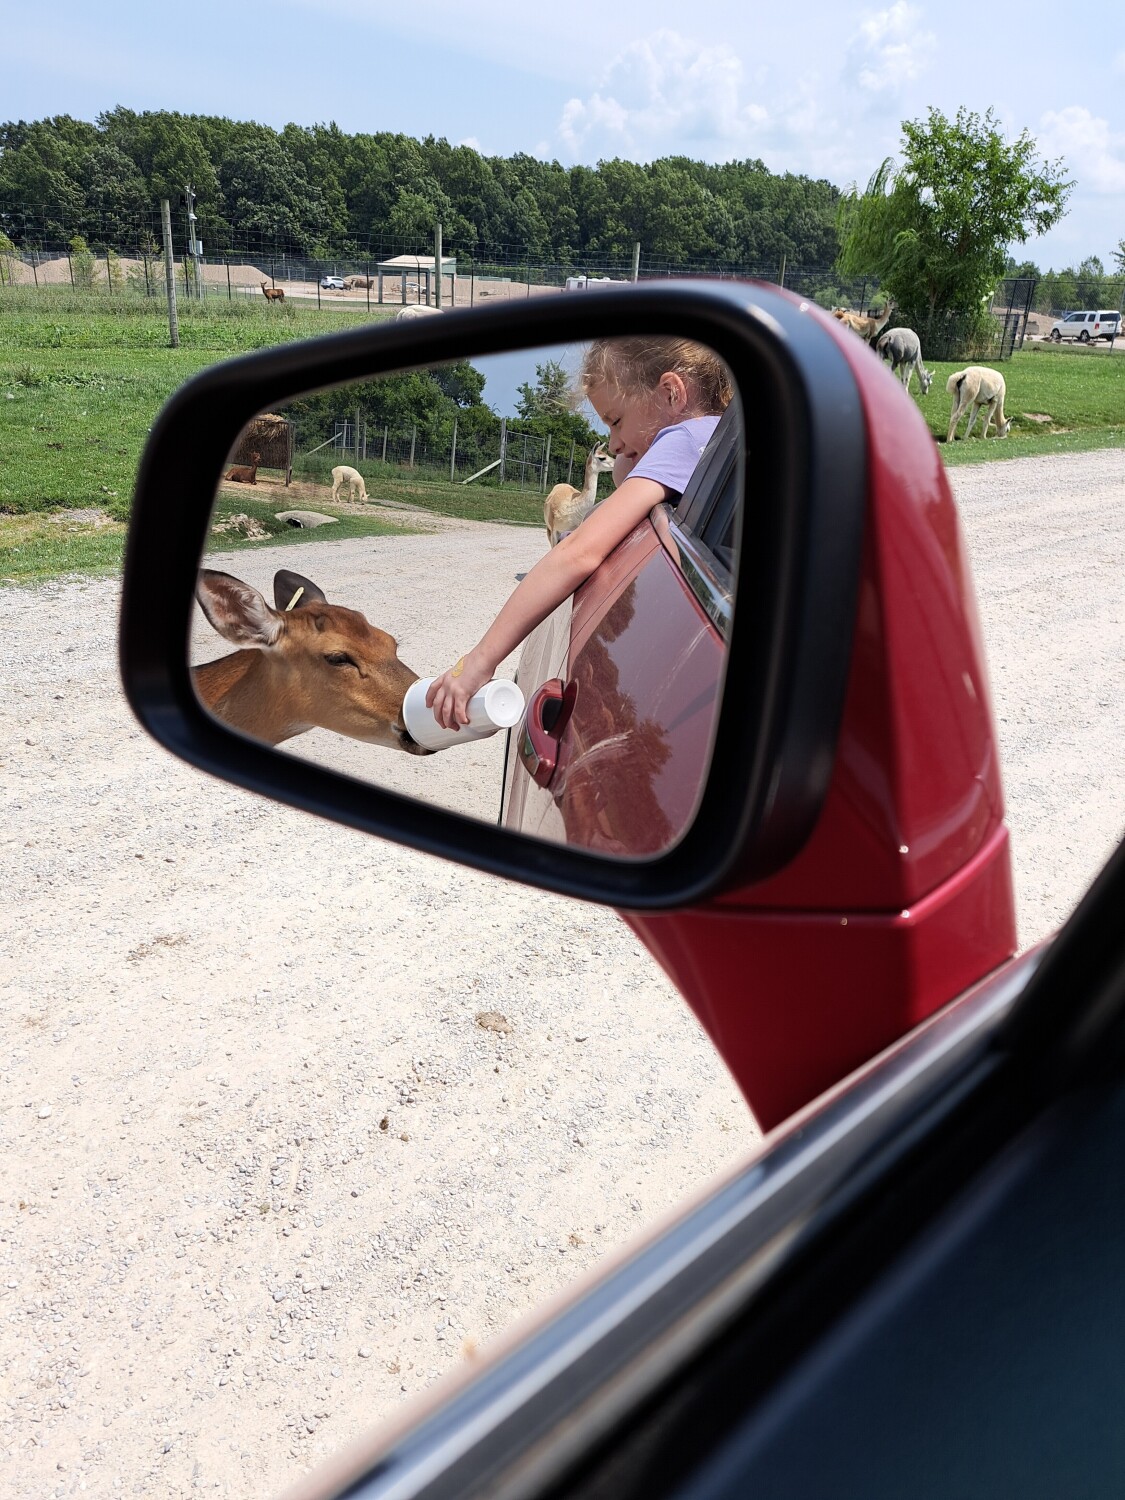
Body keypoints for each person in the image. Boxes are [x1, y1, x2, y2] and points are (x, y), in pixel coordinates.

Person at [425, 336, 733, 730]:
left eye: (616, 421)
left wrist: (479, 661)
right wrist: (627, 464)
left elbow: (580, 553)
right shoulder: (716, 436)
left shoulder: (686, 437)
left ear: (672, 394)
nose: (613, 442)